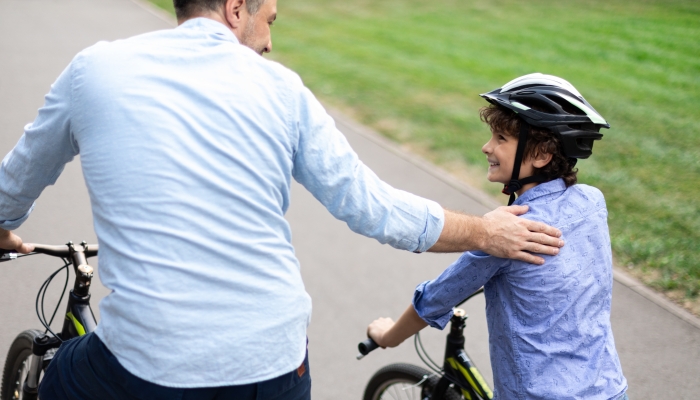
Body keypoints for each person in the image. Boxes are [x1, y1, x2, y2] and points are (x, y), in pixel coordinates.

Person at [0, 0, 565, 397]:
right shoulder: (282, 91)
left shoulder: (92, 70)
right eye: (269, 19)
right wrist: (484, 232)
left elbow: (16, 180)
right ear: (235, 8)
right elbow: (374, 208)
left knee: (62, 378)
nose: (270, 42)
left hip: (146, 366)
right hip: (275, 367)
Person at [367, 74, 628, 399]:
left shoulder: (507, 235)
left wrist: (388, 336)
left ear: (542, 154)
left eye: (501, 138)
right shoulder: (592, 202)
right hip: (609, 387)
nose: (486, 146)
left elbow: (436, 299)